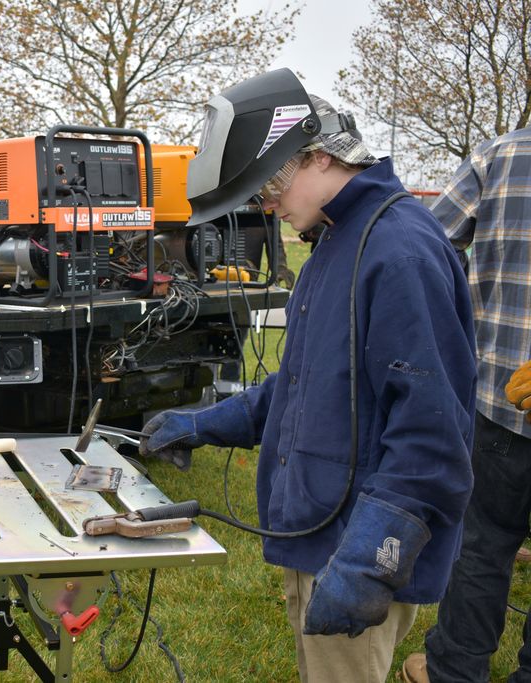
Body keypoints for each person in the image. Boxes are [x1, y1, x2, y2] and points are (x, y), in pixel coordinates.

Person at [142, 68, 477, 683]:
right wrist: (205, 423)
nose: (264, 208)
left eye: (268, 191)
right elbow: (306, 381)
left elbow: (432, 433)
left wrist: (369, 563)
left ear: (318, 155)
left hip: (354, 542)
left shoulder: (398, 250)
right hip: (323, 531)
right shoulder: (335, 241)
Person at [401, 127, 531, 683]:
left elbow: (428, 244)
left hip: (500, 403)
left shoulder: (504, 155)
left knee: (482, 544)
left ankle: (453, 670)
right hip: (502, 400)